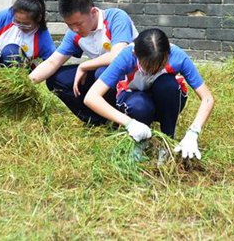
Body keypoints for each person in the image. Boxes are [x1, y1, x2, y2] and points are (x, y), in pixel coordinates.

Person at [84, 28, 215, 161]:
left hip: (164, 99)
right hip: (136, 99)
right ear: (135, 54)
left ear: (168, 54)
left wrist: (194, 132)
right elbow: (91, 97)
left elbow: (207, 98)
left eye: (159, 65)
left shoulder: (178, 56)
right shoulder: (126, 56)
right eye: (148, 66)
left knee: (168, 85)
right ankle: (140, 142)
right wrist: (129, 123)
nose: (153, 71)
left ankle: (167, 142)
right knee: (140, 105)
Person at [29, 0, 138, 125]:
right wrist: (26, 84)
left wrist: (84, 65)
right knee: (56, 79)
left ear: (93, 12)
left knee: (102, 71)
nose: (75, 29)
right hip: (101, 77)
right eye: (69, 25)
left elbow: (118, 56)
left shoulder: (115, 17)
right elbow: (52, 62)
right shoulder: (74, 34)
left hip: (131, 77)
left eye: (78, 24)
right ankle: (97, 121)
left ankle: (119, 118)